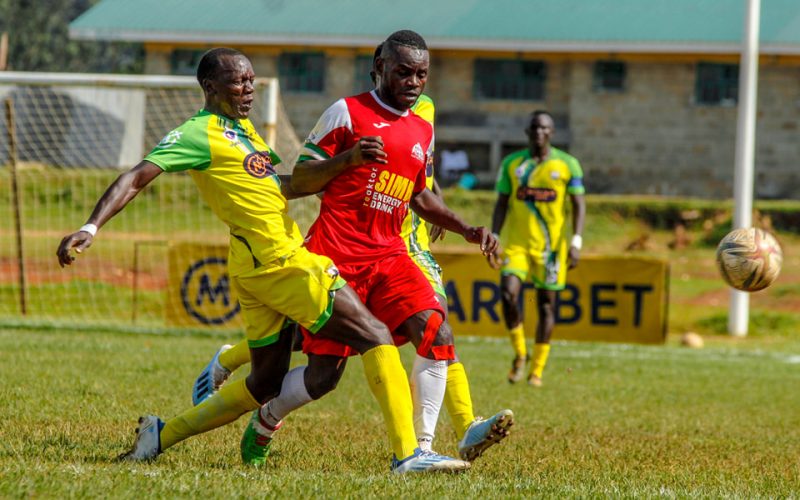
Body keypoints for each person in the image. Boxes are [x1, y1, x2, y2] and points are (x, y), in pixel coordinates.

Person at [55, 47, 468, 474]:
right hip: (282, 262)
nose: (248, 88)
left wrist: (344, 168)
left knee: (266, 382)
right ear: (210, 87)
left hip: (254, 266)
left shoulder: (246, 131)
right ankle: (410, 455)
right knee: (376, 335)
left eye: (251, 80)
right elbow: (136, 176)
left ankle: (161, 434)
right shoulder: (198, 133)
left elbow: (278, 188)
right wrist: (91, 227)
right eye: (238, 81)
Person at [233, 30, 514, 466]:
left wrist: (467, 228)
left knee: (436, 331)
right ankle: (267, 418)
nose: (413, 82)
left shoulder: (422, 126)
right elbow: (301, 181)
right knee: (324, 377)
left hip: (389, 256)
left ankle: (421, 449)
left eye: (421, 74)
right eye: (403, 72)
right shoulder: (346, 112)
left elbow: (419, 195)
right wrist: (347, 160)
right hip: (335, 257)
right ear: (379, 67)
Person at [487, 110, 586, 387]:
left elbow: (579, 205)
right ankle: (520, 353)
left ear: (552, 133)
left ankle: (537, 370)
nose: (539, 132)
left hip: (552, 248)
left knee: (546, 306)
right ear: (527, 132)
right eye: (535, 128)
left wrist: (576, 241)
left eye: (545, 128)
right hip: (518, 245)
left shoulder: (568, 165)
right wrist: (495, 236)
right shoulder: (512, 164)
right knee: (507, 294)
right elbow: (502, 202)